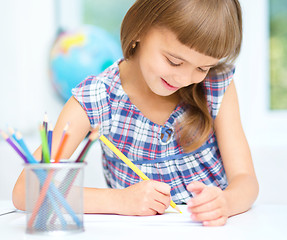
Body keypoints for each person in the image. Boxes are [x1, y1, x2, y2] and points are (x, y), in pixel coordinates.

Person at [13, 0, 259, 226]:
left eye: (202, 67)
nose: (185, 78)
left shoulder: (215, 84)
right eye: (174, 61)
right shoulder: (97, 97)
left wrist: (225, 202)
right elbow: (25, 191)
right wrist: (117, 200)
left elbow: (246, 180)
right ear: (141, 29)